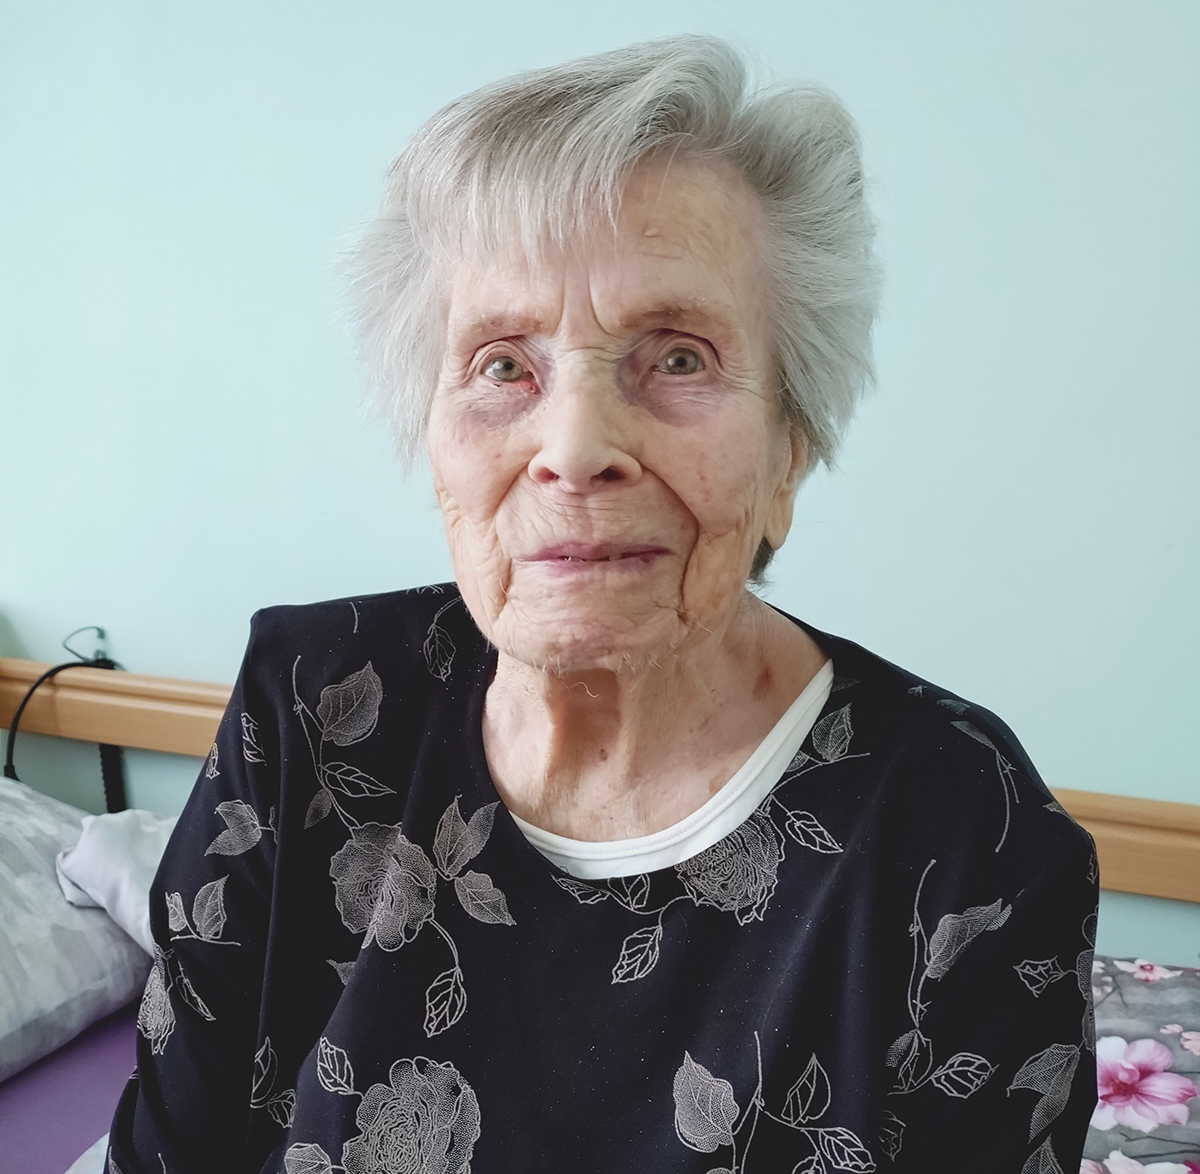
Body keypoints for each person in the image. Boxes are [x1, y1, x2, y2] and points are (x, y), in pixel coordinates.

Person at [109, 35, 1097, 1174]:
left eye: (677, 358)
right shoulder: (315, 708)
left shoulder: (970, 834)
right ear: (432, 437)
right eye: (502, 365)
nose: (575, 449)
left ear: (791, 445)